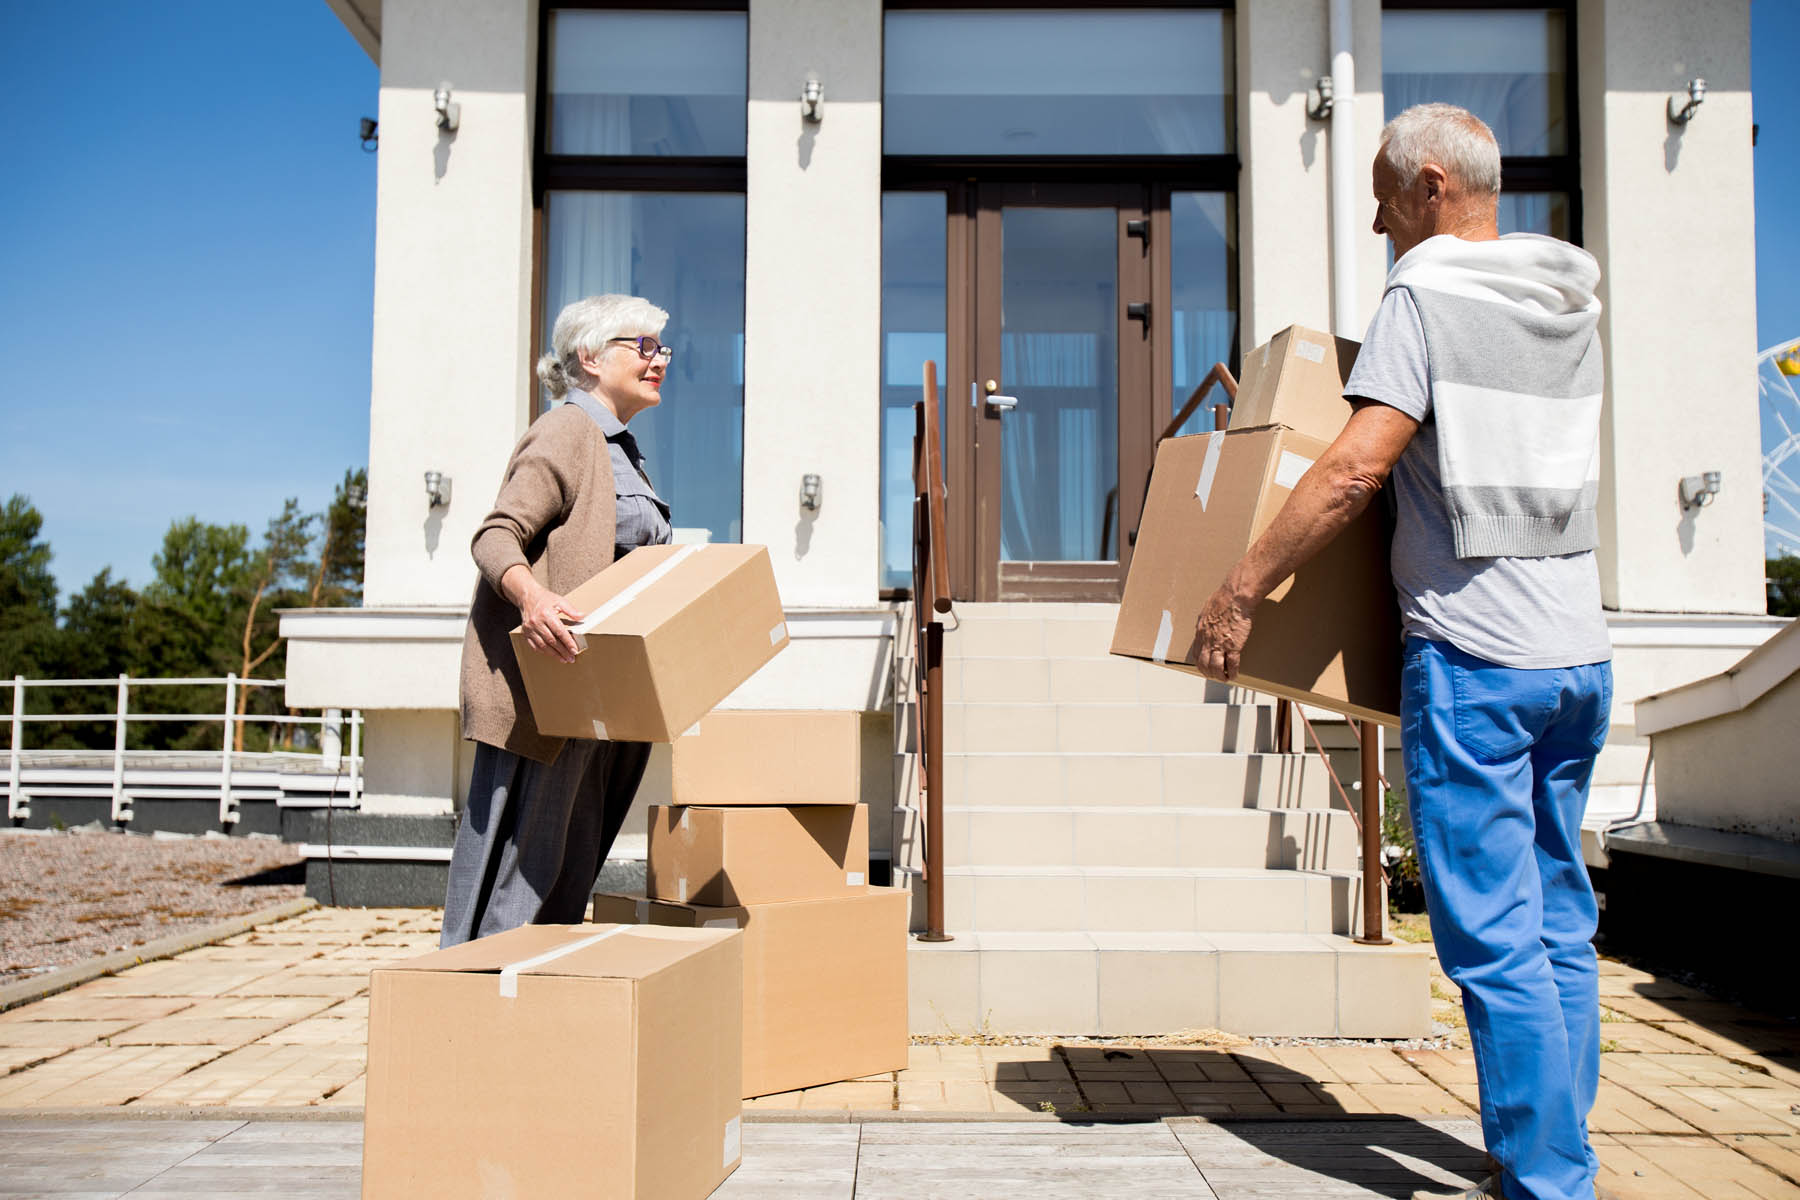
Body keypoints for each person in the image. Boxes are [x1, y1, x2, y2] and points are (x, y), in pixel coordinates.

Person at [1193, 103, 1612, 1200]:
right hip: (1578, 655)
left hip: (1479, 659)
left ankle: (1547, 1181)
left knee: (1493, 941)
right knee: (1559, 918)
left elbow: (1351, 469)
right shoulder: (1567, 301)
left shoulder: (1425, 294)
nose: (1380, 221)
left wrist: (1242, 586)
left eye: (1384, 195)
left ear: (1432, 184)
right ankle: (1558, 1148)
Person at [442, 293, 676, 948]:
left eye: (663, 348)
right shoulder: (569, 431)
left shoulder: (622, 452)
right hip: (546, 695)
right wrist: (533, 599)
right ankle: (471, 1013)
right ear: (591, 357)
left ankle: (532, 1019)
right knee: (519, 884)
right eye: (644, 347)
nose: (660, 361)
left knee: (564, 878)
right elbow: (495, 537)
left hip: (599, 694)